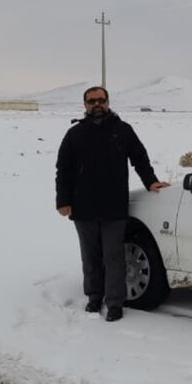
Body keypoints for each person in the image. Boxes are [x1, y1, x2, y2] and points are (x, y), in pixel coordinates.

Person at [55, 86, 170, 322]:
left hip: (113, 206)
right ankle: (94, 297)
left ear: (108, 102)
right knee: (90, 255)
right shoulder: (75, 134)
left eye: (101, 100)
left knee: (114, 256)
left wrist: (151, 182)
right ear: (84, 105)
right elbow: (63, 170)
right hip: (83, 206)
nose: (97, 104)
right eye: (91, 101)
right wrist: (63, 201)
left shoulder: (122, 130)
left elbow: (140, 158)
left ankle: (115, 302)